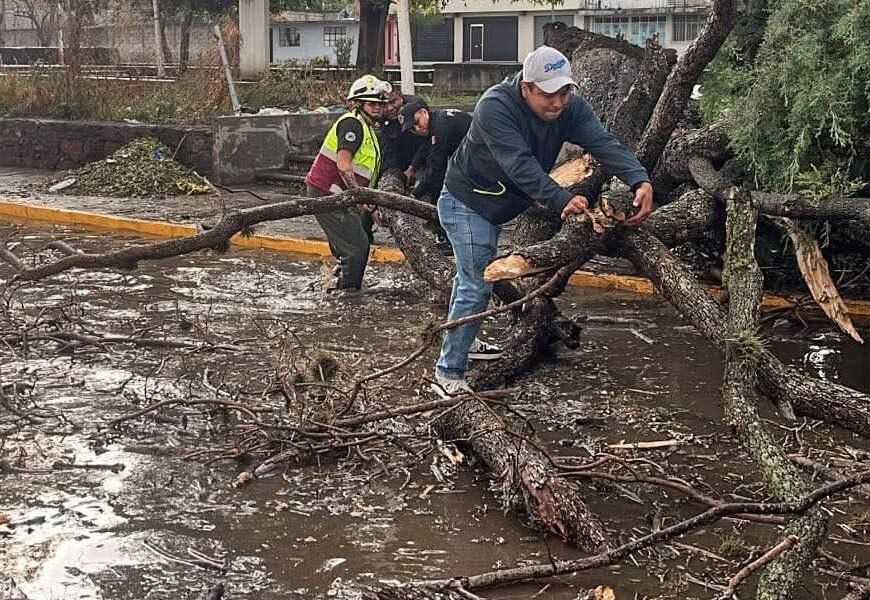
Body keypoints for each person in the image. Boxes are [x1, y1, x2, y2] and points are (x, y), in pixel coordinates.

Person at [432, 46, 655, 397]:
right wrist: (562, 199)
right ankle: (448, 373)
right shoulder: (496, 106)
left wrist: (639, 179)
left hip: (499, 206)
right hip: (466, 203)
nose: (558, 103)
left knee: (471, 281)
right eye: (549, 95)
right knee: (477, 282)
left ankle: (466, 342)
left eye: (565, 92)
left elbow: (603, 142)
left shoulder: (571, 108)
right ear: (526, 88)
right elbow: (518, 165)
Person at [304, 75, 390, 295]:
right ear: (359, 104)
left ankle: (336, 284)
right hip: (327, 193)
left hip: (342, 195)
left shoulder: (368, 129)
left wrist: (369, 207)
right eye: (372, 104)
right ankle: (348, 295)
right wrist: (361, 198)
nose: (378, 109)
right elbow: (343, 166)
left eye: (380, 104)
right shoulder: (353, 124)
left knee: (352, 244)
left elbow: (363, 175)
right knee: (357, 248)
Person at [398, 99, 473, 255]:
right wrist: (412, 168)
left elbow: (436, 168)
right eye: (412, 128)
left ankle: (453, 240)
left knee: (445, 195)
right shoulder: (436, 121)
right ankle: (446, 235)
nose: (417, 129)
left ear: (424, 112)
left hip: (479, 159)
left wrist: (415, 194)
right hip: (469, 157)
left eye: (417, 122)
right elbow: (426, 147)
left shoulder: (441, 127)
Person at [379, 87, 429, 179]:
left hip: (420, 155)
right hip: (398, 154)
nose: (390, 108)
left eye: (393, 102)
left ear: (400, 95)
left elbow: (426, 141)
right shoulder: (379, 114)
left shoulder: (416, 106)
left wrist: (413, 167)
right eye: (384, 105)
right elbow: (387, 146)